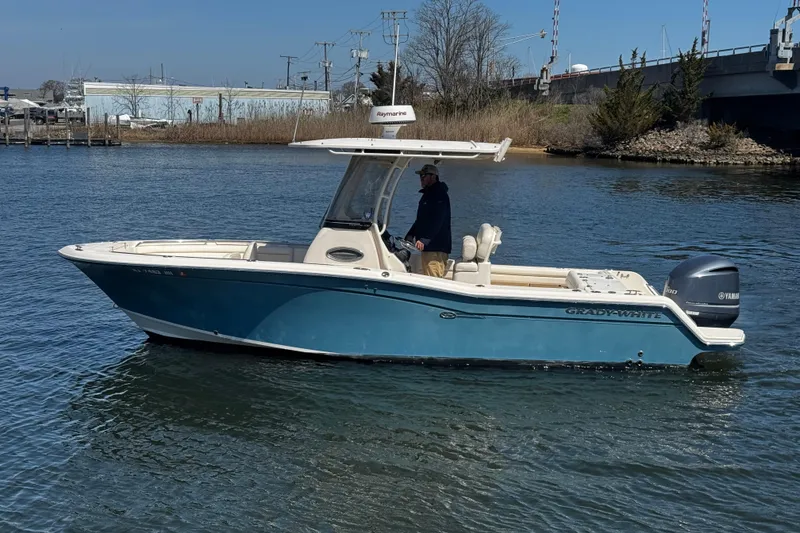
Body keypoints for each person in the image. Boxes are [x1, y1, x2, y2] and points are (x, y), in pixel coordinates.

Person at [405, 163, 451, 278]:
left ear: (433, 177)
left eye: (424, 175)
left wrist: (425, 240)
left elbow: (438, 220)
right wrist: (410, 234)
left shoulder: (439, 195)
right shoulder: (428, 194)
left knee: (434, 280)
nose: (421, 178)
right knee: (428, 276)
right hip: (428, 247)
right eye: (420, 176)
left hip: (436, 247)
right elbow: (422, 219)